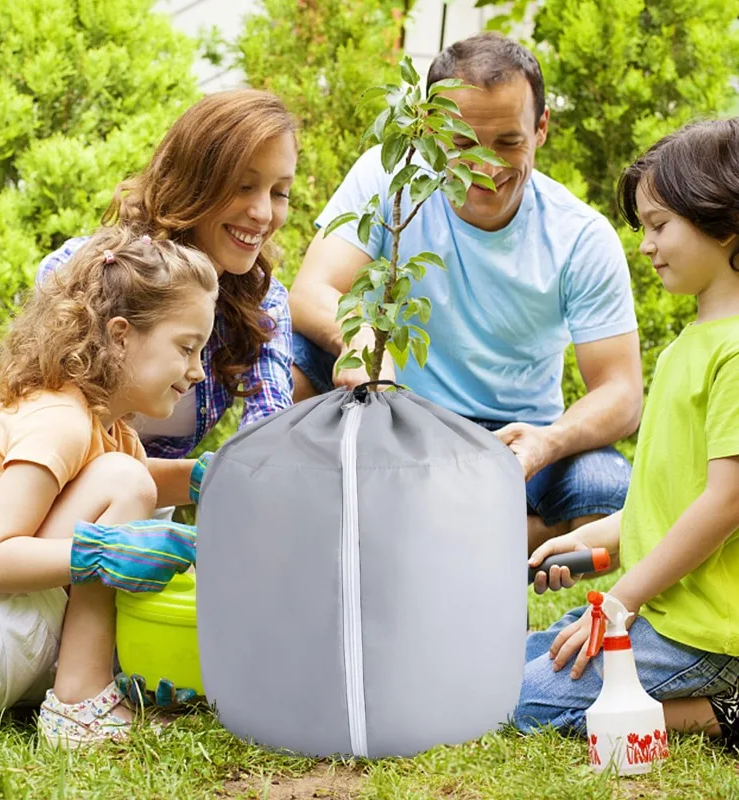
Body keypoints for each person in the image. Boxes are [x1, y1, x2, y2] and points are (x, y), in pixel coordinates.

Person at [288, 33, 643, 553]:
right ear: (431, 130)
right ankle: (301, 517)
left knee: (608, 491)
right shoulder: (391, 178)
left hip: (514, 437)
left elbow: (621, 391)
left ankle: (436, 544)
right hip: (398, 410)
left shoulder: (580, 236)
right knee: (294, 354)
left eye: (508, 142)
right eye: (461, 144)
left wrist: (548, 441)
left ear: (541, 128)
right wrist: (359, 335)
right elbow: (311, 292)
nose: (485, 166)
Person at [0, 227, 219, 747]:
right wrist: (103, 552)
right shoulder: (59, 418)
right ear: (120, 335)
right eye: (186, 348)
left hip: (4, 641)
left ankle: (96, 684)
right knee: (126, 481)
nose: (198, 371)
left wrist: (211, 477)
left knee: (133, 482)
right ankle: (78, 706)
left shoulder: (112, 429)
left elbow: (148, 484)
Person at [515, 117, 739, 748]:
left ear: (724, 221)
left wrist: (621, 600)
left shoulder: (734, 353)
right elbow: (666, 499)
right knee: (514, 658)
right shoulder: (688, 346)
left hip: (703, 633)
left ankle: (725, 708)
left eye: (660, 225)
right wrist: (589, 539)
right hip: (665, 612)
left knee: (526, 702)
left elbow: (726, 502)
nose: (646, 246)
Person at [38, 89, 299, 505]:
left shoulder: (263, 304)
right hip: (41, 500)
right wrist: (212, 477)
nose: (263, 213)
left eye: (279, 192)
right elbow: (39, 433)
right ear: (195, 180)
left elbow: (268, 430)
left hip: (141, 508)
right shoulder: (86, 272)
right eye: (244, 186)